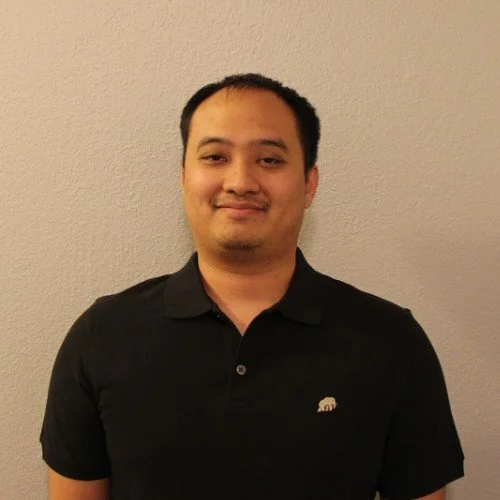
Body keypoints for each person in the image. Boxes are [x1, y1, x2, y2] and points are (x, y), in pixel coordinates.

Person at [40, 73, 464, 500]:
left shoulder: (391, 340)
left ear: (309, 183)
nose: (240, 182)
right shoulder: (103, 336)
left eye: (270, 160)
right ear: (184, 177)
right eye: (215, 157)